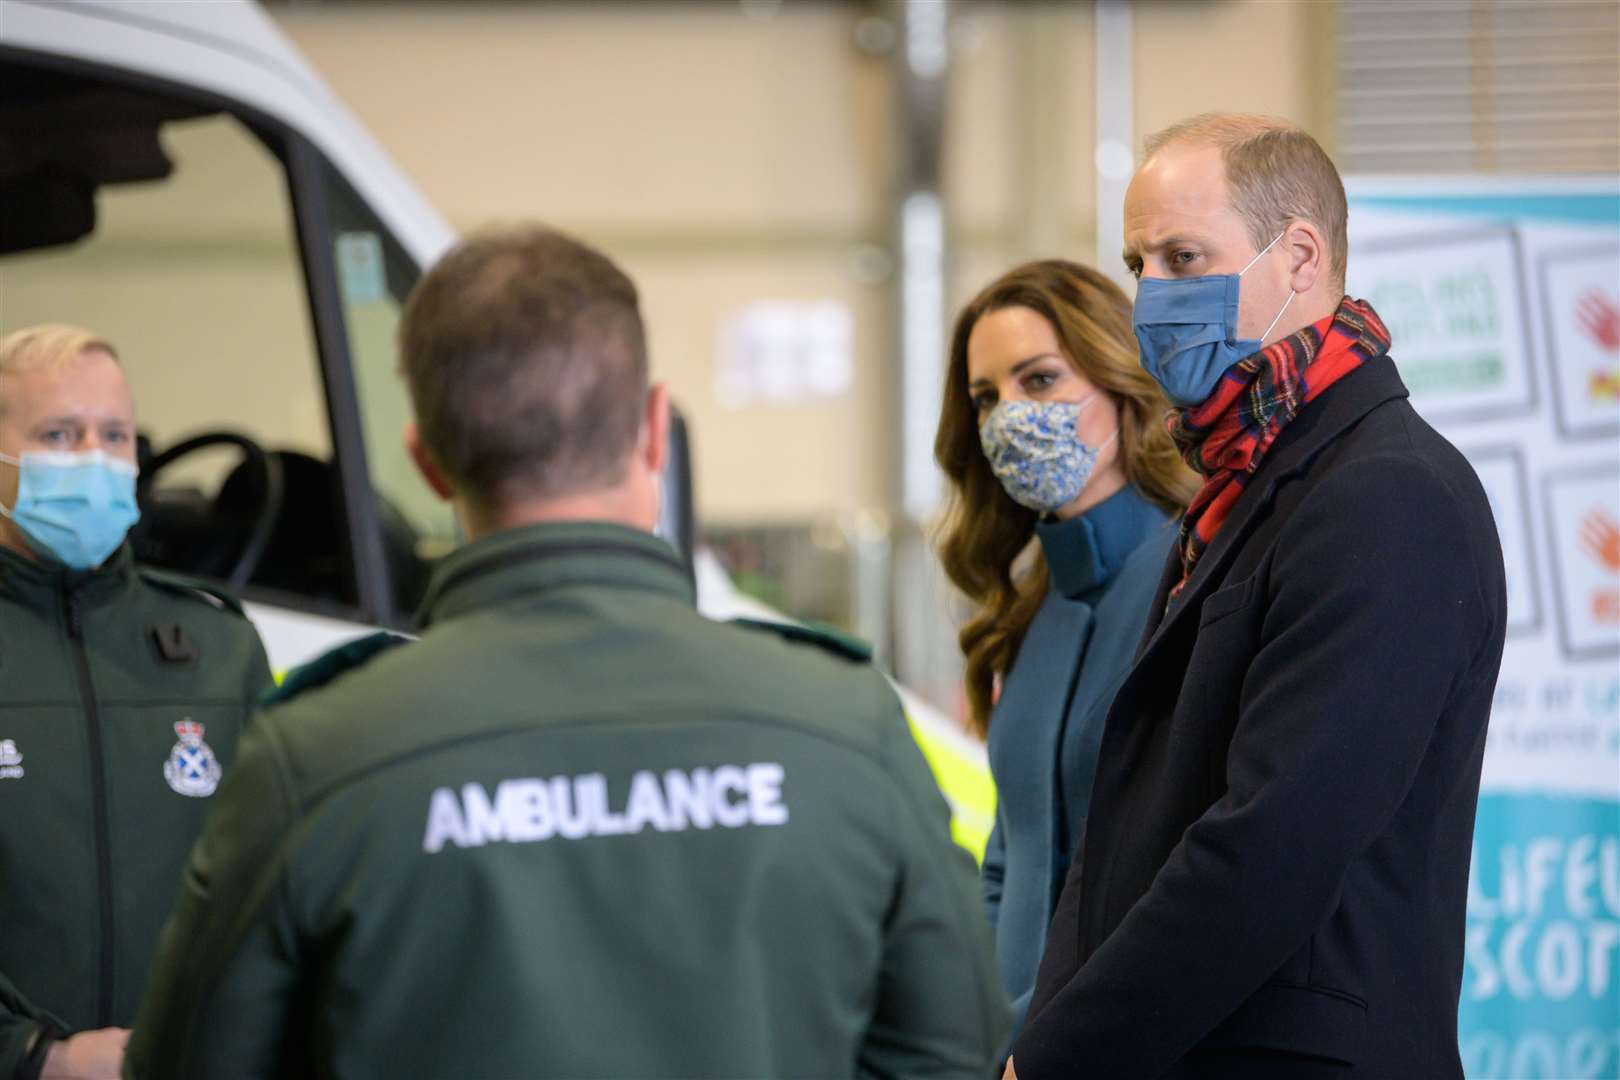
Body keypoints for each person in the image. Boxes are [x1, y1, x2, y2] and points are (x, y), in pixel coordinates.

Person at [125, 225, 1009, 1080]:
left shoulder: (313, 757)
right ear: (659, 428)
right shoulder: (841, 720)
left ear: (427, 461)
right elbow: (952, 1051)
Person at [1009, 113, 1508, 1079]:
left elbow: (1275, 843)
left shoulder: (1387, 493)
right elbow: (1130, 825)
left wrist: (1061, 1058)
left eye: (1184, 256)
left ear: (1301, 257)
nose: (1151, 293)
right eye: (1139, 261)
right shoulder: (1233, 496)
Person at [0, 325, 273, 1080]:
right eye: (59, 433)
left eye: (113, 435)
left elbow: (278, 889)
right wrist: (39, 1059)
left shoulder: (222, 650)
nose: (93, 457)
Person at [933, 260, 1194, 1032]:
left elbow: (1180, 884)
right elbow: (1008, 860)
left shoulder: (1193, 583)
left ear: (1120, 379)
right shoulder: (1029, 612)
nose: (1009, 415)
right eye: (987, 397)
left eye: (1039, 380)